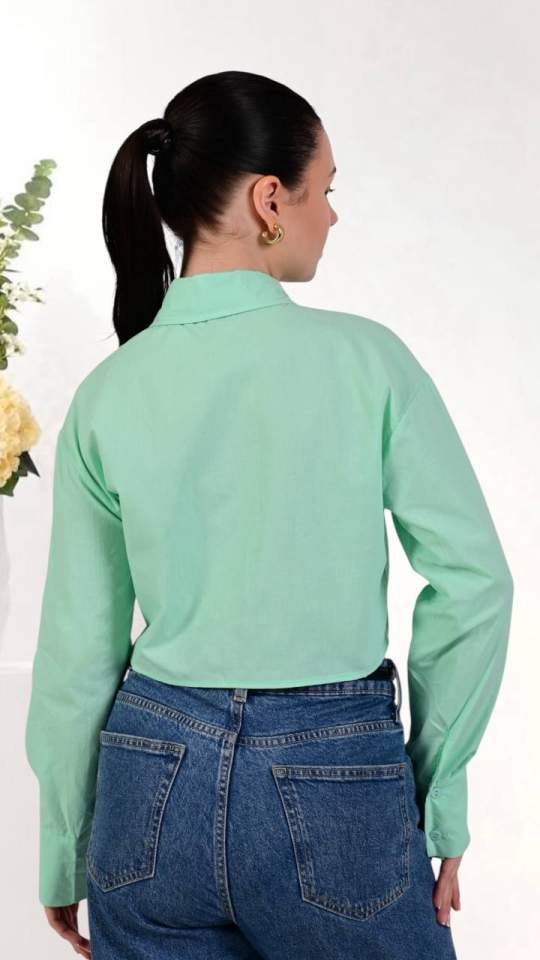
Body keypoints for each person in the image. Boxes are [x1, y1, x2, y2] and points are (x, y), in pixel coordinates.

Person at [25, 70, 513, 959]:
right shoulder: (366, 362)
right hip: (336, 781)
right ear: (270, 199)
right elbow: (476, 584)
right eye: (325, 190)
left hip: (148, 784)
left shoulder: (108, 393)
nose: (333, 214)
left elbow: (75, 653)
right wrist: (434, 793)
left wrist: (64, 847)